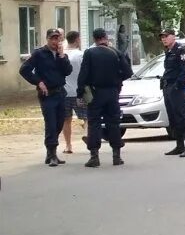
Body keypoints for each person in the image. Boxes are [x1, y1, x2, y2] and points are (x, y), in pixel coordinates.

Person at [76, 27, 133, 167]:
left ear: (94, 39)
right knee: (113, 123)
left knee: (94, 123)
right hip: (113, 92)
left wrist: (80, 93)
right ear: (106, 37)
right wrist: (117, 80)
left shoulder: (89, 53)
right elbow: (128, 72)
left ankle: (94, 156)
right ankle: (116, 156)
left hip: (95, 93)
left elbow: (83, 74)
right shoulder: (115, 52)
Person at [18, 27, 72, 166]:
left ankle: (50, 153)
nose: (55, 41)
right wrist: (38, 82)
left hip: (60, 92)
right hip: (47, 94)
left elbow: (67, 71)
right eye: (53, 38)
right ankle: (52, 154)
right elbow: (24, 70)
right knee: (51, 123)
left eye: (57, 38)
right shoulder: (39, 54)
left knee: (59, 122)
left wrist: (61, 56)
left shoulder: (61, 55)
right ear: (47, 39)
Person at [159, 28, 185, 157]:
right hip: (167, 87)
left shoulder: (181, 51)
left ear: (173, 37)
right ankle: (180, 145)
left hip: (176, 88)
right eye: (162, 37)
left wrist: (177, 85)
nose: (163, 39)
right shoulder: (168, 52)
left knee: (182, 116)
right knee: (173, 117)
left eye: (166, 36)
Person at [63, 30, 84, 154]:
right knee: (86, 118)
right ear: (76, 40)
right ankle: (88, 137)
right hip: (79, 91)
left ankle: (68, 145)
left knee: (67, 120)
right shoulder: (80, 55)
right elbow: (85, 72)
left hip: (65, 92)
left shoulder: (61, 55)